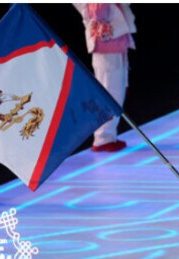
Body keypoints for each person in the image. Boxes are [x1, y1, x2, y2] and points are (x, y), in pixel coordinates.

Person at [74, 3, 135, 152]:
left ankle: (107, 135)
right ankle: (103, 137)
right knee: (110, 90)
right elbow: (97, 12)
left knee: (117, 89)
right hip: (106, 46)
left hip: (114, 42)